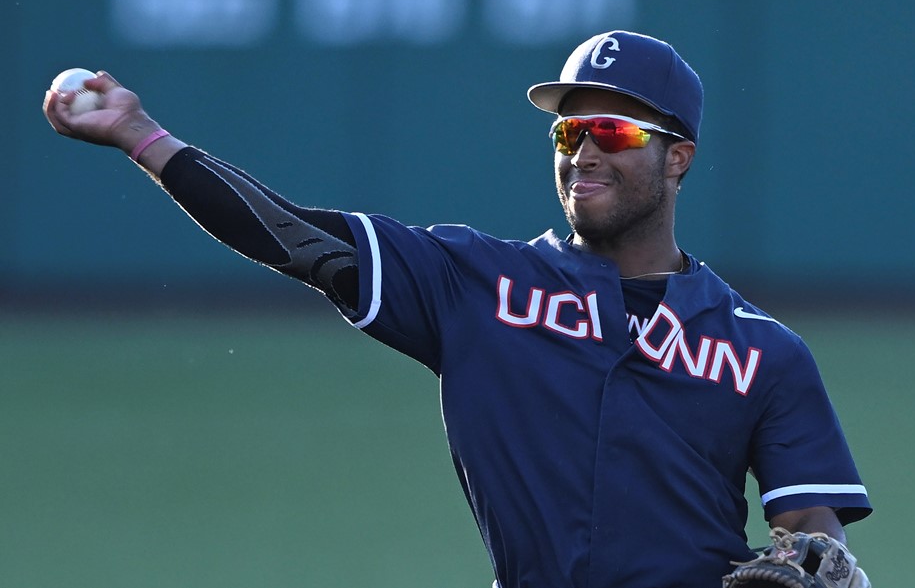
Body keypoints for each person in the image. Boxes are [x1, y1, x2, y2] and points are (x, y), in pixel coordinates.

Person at [44, 30, 872, 588]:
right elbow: (296, 237)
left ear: (678, 158)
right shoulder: (474, 284)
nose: (584, 151)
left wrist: (819, 557)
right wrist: (143, 136)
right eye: (568, 135)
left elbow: (810, 529)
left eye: (612, 135)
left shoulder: (765, 352)